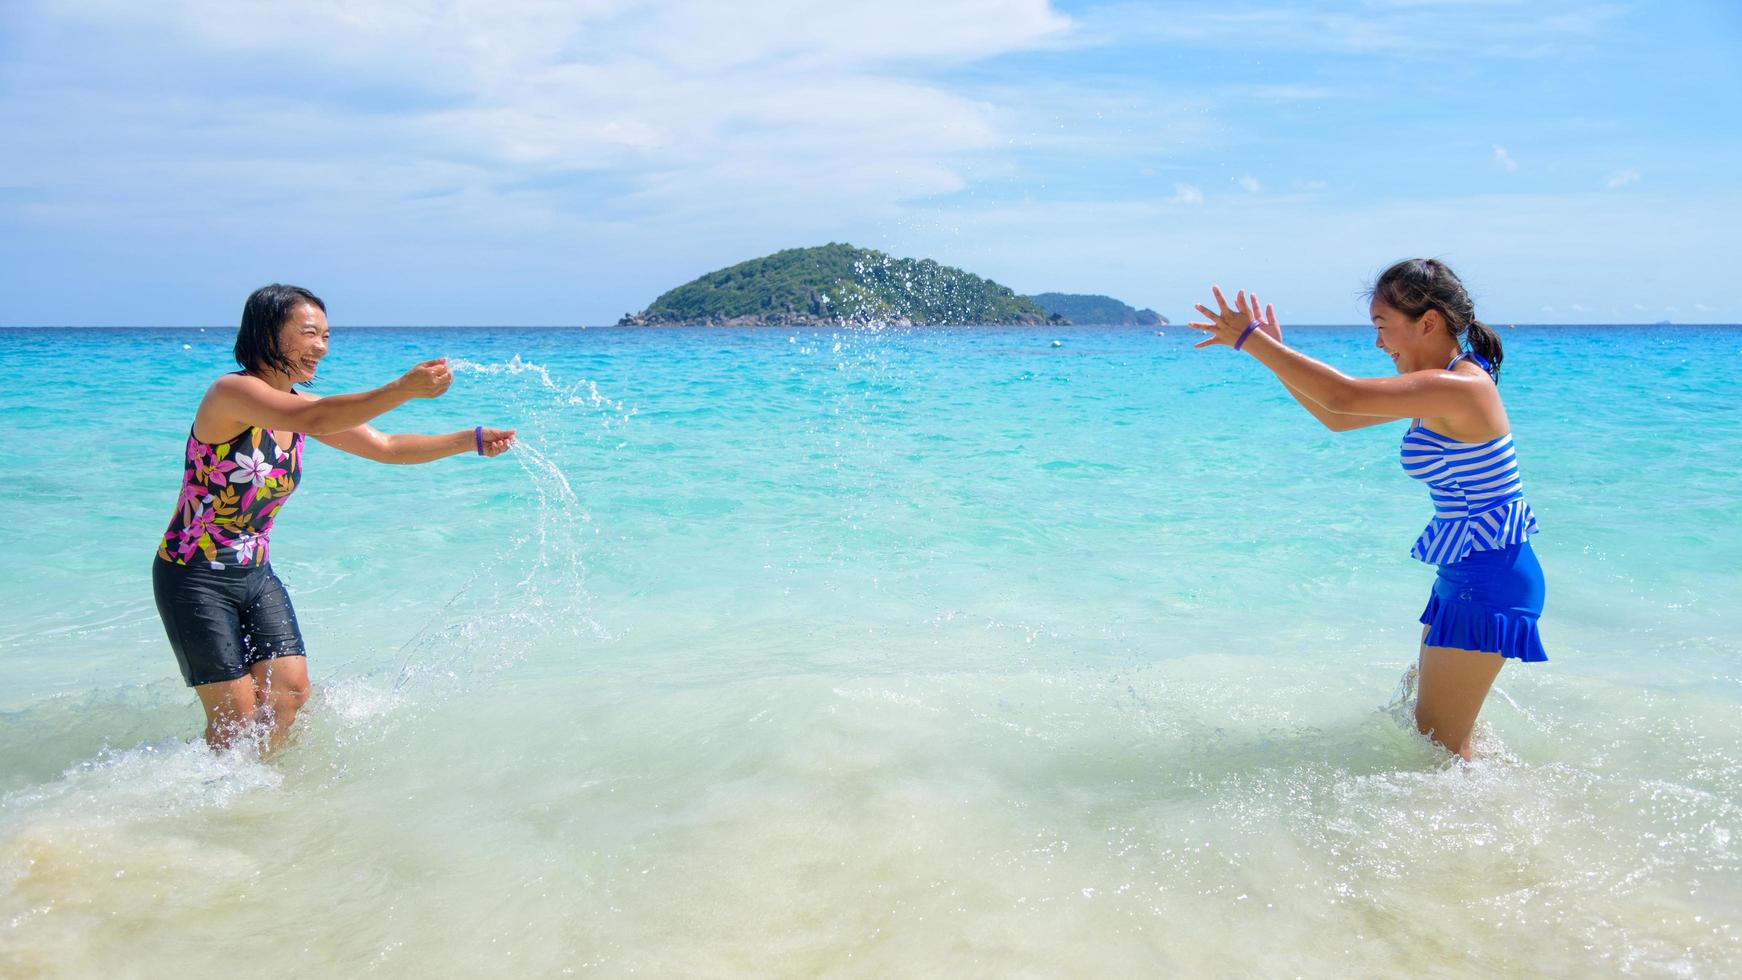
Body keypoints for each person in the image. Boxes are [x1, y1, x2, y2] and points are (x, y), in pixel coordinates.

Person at [1188, 260, 1545, 760]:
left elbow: (1344, 393)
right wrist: (1270, 354)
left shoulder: (1462, 388)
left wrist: (1255, 341)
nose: (1379, 344)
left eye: (1382, 327)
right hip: (1467, 569)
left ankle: (1493, 825)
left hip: (1490, 576)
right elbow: (1337, 416)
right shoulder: (1443, 381)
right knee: (1441, 739)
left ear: (1428, 321)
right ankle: (1486, 818)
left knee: (1436, 746)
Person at [152, 284, 517, 753]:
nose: (321, 346)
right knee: (236, 723)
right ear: (268, 332)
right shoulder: (232, 392)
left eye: (326, 335)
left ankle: (261, 793)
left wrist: (468, 440)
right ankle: (204, 802)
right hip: (194, 576)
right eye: (309, 333)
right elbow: (323, 418)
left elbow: (386, 447)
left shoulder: (301, 408)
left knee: (289, 695)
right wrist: (403, 389)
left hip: (254, 573)